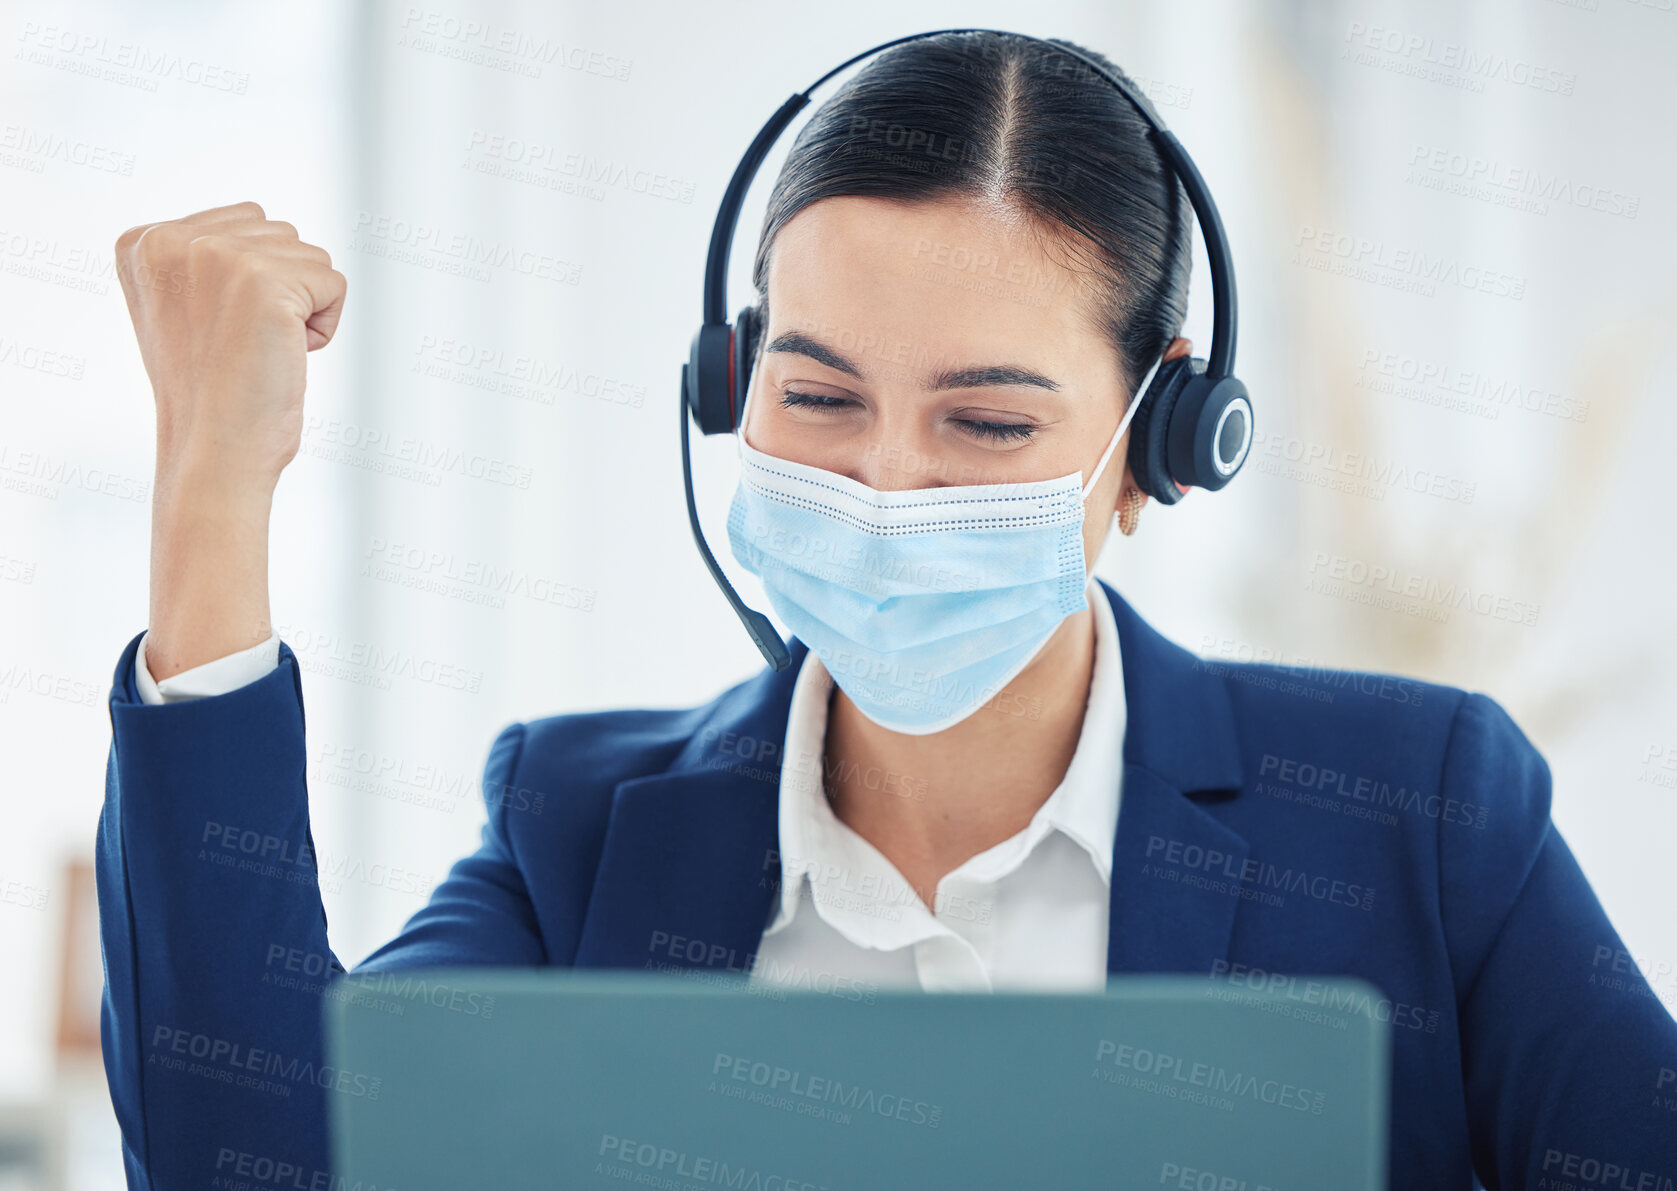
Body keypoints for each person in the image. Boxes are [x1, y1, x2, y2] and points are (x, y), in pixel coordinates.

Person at [97, 30, 1676, 1191]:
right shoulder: (576, 829)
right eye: (817, 396)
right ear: (730, 391)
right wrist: (215, 493)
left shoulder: (1419, 810)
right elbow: (257, 1168)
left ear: (1161, 457)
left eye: (988, 426)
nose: (887, 485)